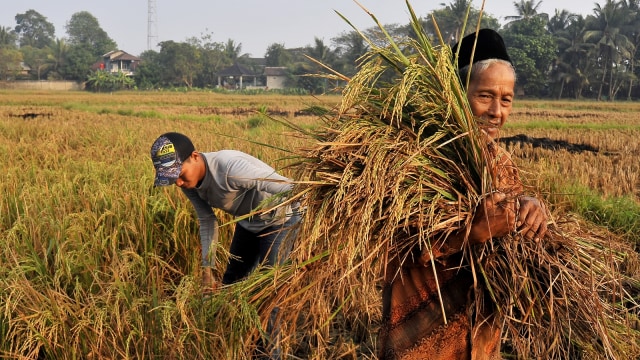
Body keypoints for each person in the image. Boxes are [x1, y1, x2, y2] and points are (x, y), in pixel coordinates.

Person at [377, 29, 548, 359]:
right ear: (455, 94)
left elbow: (512, 234)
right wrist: (471, 233)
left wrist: (531, 209)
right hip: (419, 344)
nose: (496, 111)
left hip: (481, 344)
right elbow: (391, 249)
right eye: (484, 96)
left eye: (506, 99)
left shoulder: (500, 162)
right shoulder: (415, 159)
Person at [150, 132, 300, 290]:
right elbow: (207, 220)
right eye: (173, 179)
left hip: (279, 220)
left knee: (271, 284)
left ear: (195, 156)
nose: (179, 183)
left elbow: (289, 187)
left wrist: (301, 229)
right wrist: (207, 271)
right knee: (231, 282)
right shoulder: (189, 183)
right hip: (248, 221)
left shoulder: (229, 168)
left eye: (179, 175)